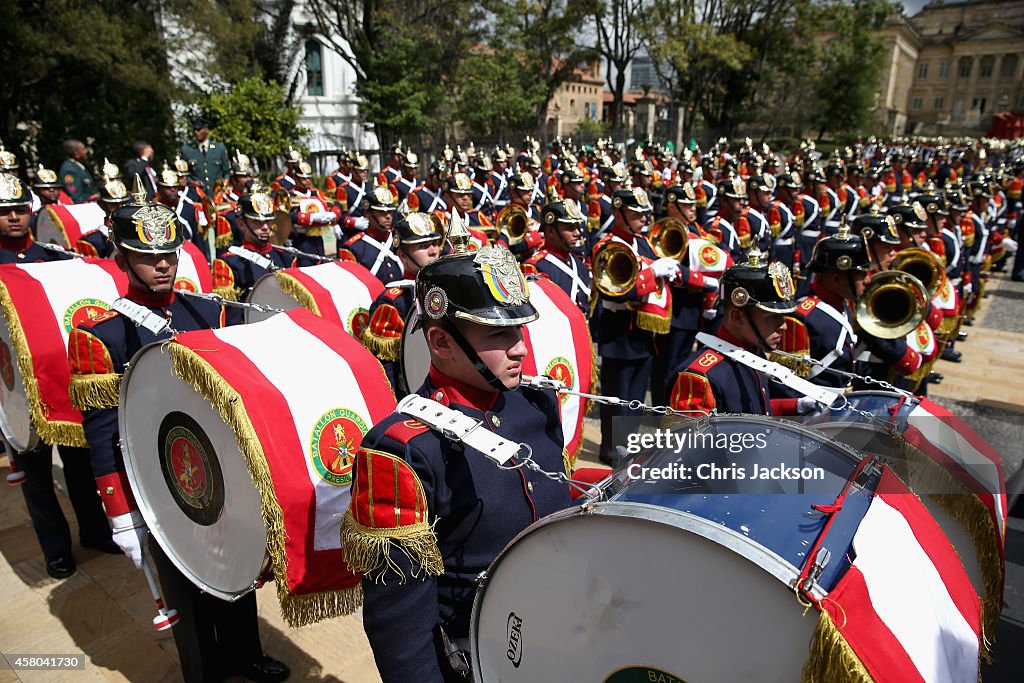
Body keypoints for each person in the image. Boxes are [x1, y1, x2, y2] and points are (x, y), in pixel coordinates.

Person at [66, 178, 289, 683]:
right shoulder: (101, 335)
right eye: (148, 257)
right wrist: (119, 511)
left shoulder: (208, 311)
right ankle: (204, 672)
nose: (163, 264)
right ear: (121, 259)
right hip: (158, 481)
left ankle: (245, 656)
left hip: (220, 470)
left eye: (169, 253)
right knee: (185, 589)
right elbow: (102, 433)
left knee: (236, 569)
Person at [342, 218, 573, 682]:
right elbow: (401, 624)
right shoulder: (402, 449)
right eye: (497, 336)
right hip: (478, 659)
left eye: (519, 332)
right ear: (441, 342)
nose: (520, 350)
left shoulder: (538, 402)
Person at [0, 174, 115, 579]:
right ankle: (55, 551)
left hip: (60, 376)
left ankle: (95, 531)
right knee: (34, 474)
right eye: (4, 212)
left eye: (19, 210)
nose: (13, 218)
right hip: (16, 384)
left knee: (79, 463)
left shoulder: (53, 256)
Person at [668, 247, 814, 415]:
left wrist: (796, 405)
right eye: (772, 317)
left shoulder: (753, 352)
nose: (784, 326)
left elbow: (753, 413)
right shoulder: (700, 377)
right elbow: (687, 440)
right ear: (737, 316)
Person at [593, 188, 679, 465]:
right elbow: (613, 292)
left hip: (643, 332)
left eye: (644, 213)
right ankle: (612, 450)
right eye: (636, 213)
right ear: (618, 213)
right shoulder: (606, 246)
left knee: (636, 398)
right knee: (618, 397)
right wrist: (653, 274)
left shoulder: (642, 242)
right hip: (619, 329)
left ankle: (629, 447)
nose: (643, 218)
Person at [362, 211, 443, 392]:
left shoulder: (447, 286)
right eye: (423, 246)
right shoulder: (392, 302)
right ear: (403, 255)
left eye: (435, 243)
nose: (434, 251)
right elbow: (387, 371)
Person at [211, 189, 295, 301]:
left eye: (268, 221)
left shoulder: (286, 257)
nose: (265, 227)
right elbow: (230, 314)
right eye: (257, 222)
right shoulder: (230, 263)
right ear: (241, 224)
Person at [522, 199, 592, 315]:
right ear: (550, 232)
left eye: (577, 226)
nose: (577, 233)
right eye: (570, 228)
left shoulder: (577, 262)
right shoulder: (535, 268)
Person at [338, 185, 403, 284]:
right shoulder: (353, 248)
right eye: (382, 212)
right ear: (367, 213)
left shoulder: (400, 239)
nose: (388, 216)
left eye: (390, 212)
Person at [179, 116, 231, 193]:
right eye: (195, 130)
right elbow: (184, 174)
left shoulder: (219, 148)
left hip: (217, 194)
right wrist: (191, 182)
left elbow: (226, 171)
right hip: (198, 195)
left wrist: (224, 184)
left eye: (199, 129)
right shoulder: (187, 150)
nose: (196, 132)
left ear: (206, 130)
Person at [59, 139, 98, 203]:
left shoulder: (78, 166)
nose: (86, 151)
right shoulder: (69, 170)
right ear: (76, 153)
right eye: (83, 149)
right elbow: (76, 197)